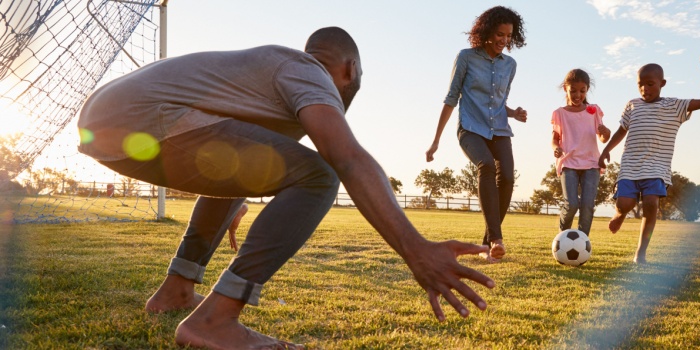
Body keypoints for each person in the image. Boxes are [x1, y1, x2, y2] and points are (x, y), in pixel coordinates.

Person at [77, 27, 496, 350]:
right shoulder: (307, 70)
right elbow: (346, 157)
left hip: (107, 122)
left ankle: (175, 291)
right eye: (357, 76)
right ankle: (214, 321)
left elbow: (240, 158)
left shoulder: (272, 82)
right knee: (319, 176)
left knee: (265, 166)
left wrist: (231, 193)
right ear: (350, 69)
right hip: (144, 117)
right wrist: (416, 248)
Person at [425, 6, 528, 263]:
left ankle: (488, 244)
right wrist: (436, 140)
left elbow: (497, 102)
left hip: (500, 130)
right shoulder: (466, 58)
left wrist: (514, 112)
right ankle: (497, 239)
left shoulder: (510, 65)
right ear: (486, 32)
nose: (504, 41)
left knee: (506, 176)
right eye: (500, 34)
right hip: (470, 129)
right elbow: (451, 98)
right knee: (486, 166)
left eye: (508, 36)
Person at [598, 53, 700, 264]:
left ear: (662, 83)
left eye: (650, 84)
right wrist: (606, 150)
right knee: (625, 204)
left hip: (657, 167)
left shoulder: (674, 106)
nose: (645, 89)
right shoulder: (632, 105)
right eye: (640, 85)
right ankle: (619, 214)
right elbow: (621, 130)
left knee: (651, 203)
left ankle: (641, 252)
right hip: (630, 166)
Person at [551, 69, 611, 236]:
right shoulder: (560, 114)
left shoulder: (593, 111)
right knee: (571, 204)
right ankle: (563, 238)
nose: (578, 95)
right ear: (565, 89)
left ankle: (582, 240)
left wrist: (606, 132)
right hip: (568, 163)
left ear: (587, 89)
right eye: (573, 91)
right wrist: (556, 148)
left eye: (582, 91)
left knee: (587, 205)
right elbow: (554, 139)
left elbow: (603, 138)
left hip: (591, 163)